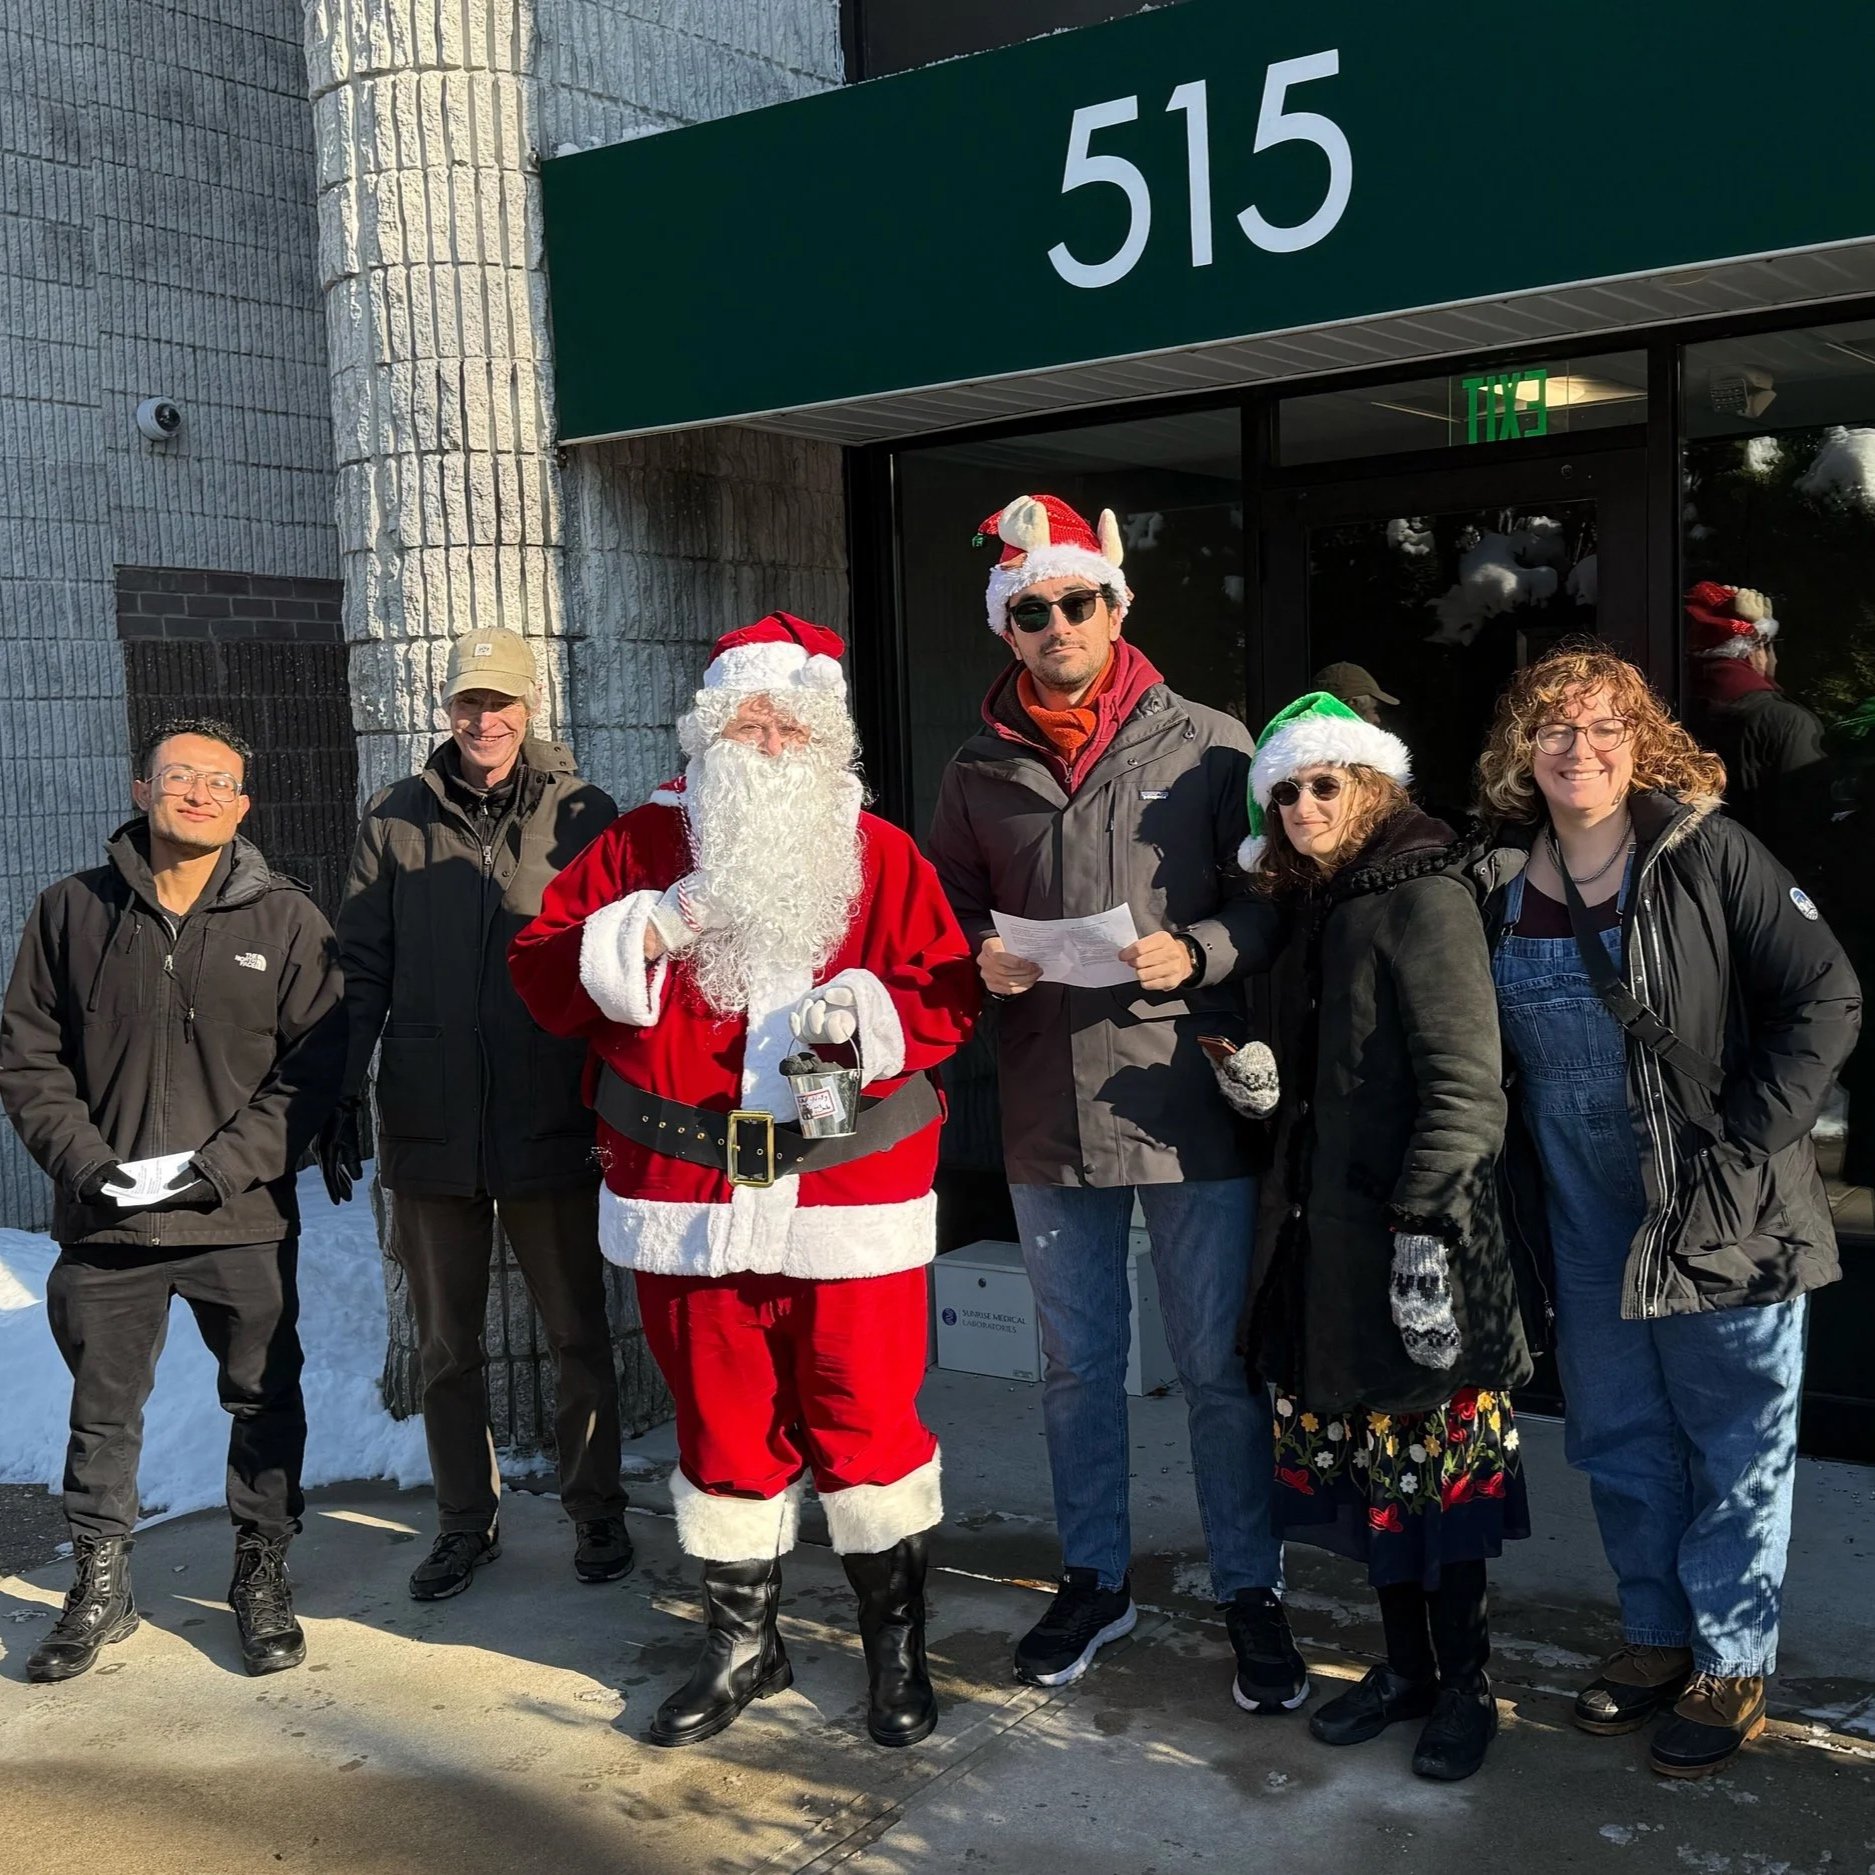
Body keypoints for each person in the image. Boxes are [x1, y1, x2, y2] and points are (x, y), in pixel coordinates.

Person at [510, 614, 977, 1752]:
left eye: (789, 727)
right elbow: (542, 971)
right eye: (747, 726)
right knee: (720, 1426)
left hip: (848, 1199)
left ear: (826, 740)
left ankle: (895, 1651)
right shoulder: (639, 844)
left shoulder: (882, 853)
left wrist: (868, 1014)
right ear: (708, 735)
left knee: (867, 1424)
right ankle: (742, 1649)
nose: (768, 746)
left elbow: (947, 991)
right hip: (686, 1199)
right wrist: (652, 929)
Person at [926, 493, 1301, 1710]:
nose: (1058, 626)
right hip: (1049, 1105)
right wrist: (979, 952)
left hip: (1183, 1096)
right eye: (1032, 611)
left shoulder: (1210, 744)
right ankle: (1094, 1578)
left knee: (1216, 1368)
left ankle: (1251, 1587)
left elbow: (1270, 904)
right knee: (1076, 1369)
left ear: (1115, 606)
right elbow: (943, 907)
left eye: (1076, 602)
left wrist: (1199, 951)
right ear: (1009, 628)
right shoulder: (976, 768)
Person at [1475, 646, 1860, 1778]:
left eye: (1605, 727)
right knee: (1618, 1435)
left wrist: (1746, 1139)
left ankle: (1731, 1658)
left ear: (1640, 742)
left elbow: (1827, 994)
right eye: (1555, 728)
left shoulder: (1705, 852)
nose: (1579, 748)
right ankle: (1655, 1633)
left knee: (1735, 1438)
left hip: (1722, 1204)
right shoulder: (1496, 879)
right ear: (1522, 750)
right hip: (1585, 1219)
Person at [1219, 692, 1532, 1783]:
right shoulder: (1320, 902)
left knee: (1436, 1482)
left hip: (1418, 1241)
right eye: (1284, 792)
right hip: (1330, 1249)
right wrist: (1263, 1091)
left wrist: (1422, 1231)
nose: (1303, 806)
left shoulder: (1423, 893)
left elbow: (1467, 1086)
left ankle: (1466, 1686)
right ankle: (1403, 1671)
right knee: (1372, 1471)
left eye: (1323, 784)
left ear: (1371, 786)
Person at [0, 717, 346, 1681]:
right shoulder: (70, 910)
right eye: (179, 774)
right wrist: (84, 1164)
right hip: (107, 1221)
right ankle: (101, 1582)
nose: (198, 792)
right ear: (142, 788)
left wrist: (225, 1167)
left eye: (218, 781)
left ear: (243, 805)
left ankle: (260, 1570)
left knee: (264, 1396)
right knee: (101, 1413)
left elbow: (313, 1071)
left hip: (238, 1215)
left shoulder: (288, 921)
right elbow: (28, 1057)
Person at [327, 628, 629, 1600]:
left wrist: (619, 1097)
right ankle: (465, 1520)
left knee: (577, 1331)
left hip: (550, 1113)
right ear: (448, 708)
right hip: (431, 1118)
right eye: (468, 701)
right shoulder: (394, 818)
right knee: (446, 1346)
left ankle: (597, 1508)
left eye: (500, 701)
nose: (483, 719)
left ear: (529, 708)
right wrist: (341, 1084)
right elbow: (359, 966)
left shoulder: (586, 815)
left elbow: (619, 965)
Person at [1683, 582, 1832, 880]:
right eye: (1772, 646)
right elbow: (1806, 834)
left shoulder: (1670, 710)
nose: (1775, 659)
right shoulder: (1788, 722)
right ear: (1754, 651)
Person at [1310, 660, 1400, 729]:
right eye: (1375, 710)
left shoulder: (1306, 736)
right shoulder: (1355, 746)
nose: (1378, 720)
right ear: (1353, 703)